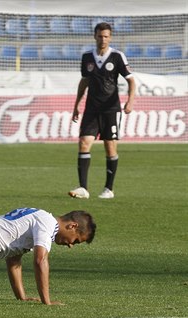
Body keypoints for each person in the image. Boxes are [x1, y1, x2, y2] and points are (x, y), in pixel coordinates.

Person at [69, 22, 136, 199]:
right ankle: (83, 187)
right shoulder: (87, 57)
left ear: (110, 37)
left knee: (110, 147)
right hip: (91, 108)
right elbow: (84, 82)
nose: (103, 39)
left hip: (111, 109)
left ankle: (108, 189)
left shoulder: (117, 56)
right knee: (84, 142)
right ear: (95, 36)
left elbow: (131, 80)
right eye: (100, 36)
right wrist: (76, 104)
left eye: (106, 36)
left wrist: (130, 101)